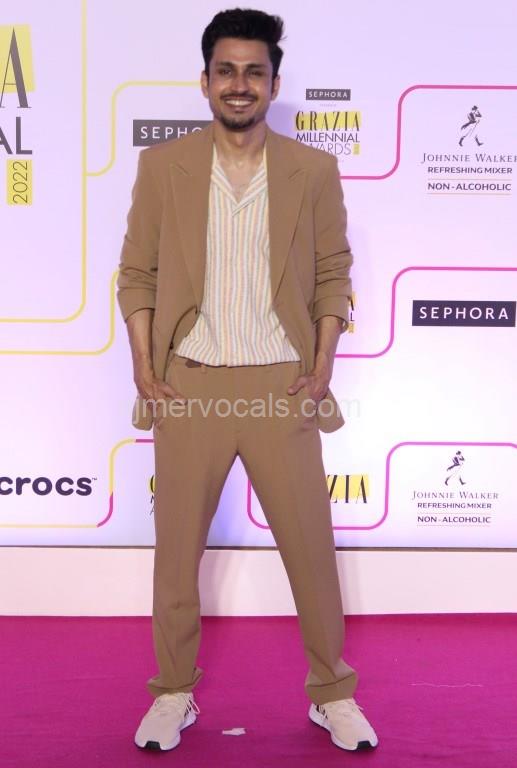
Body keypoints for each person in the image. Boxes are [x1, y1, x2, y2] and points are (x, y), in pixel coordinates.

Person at [117, 7, 378, 754]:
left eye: (253, 72)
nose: (240, 84)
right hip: (190, 384)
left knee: (310, 551)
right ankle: (173, 692)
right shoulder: (163, 166)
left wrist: (321, 366)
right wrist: (144, 367)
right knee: (176, 556)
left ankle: (332, 694)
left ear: (273, 83)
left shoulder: (312, 170)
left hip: (279, 385)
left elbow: (333, 275)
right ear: (204, 82)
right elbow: (137, 274)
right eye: (226, 71)